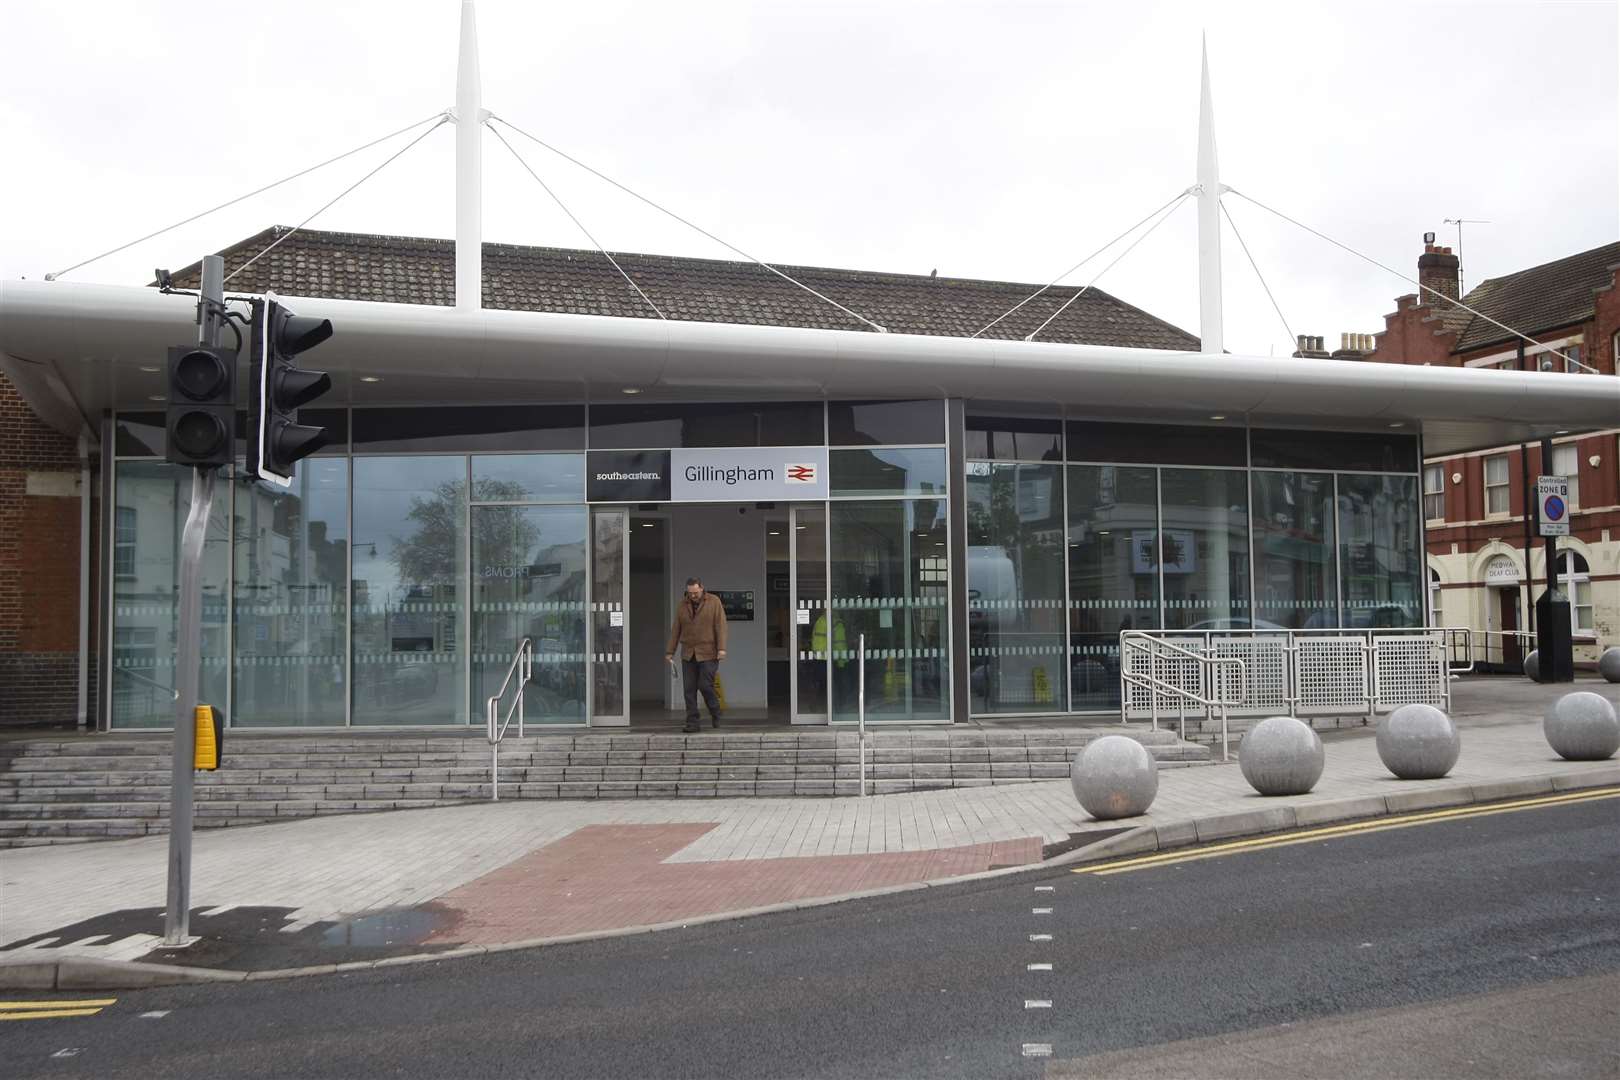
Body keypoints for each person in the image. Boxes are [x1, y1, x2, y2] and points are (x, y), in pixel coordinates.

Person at [665, 576, 727, 733]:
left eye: (695, 592)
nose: (693, 596)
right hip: (688, 653)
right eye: (690, 593)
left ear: (702, 588)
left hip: (709, 652)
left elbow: (721, 626)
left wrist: (721, 648)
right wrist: (670, 651)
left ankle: (715, 711)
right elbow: (676, 629)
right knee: (689, 689)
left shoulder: (714, 602)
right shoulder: (682, 605)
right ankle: (693, 722)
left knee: (705, 685)